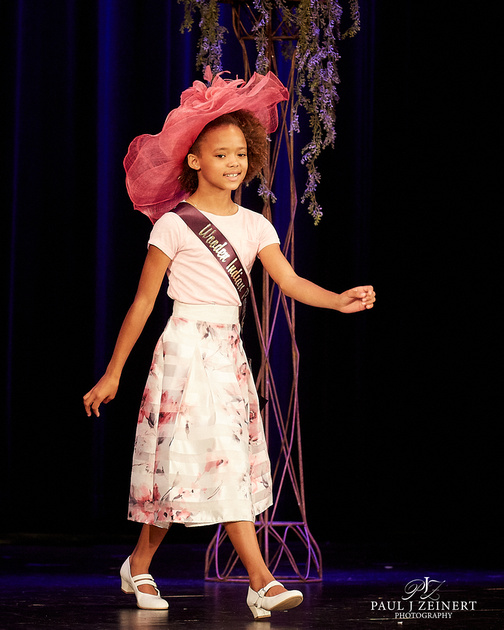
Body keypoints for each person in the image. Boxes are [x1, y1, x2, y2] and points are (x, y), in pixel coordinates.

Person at [83, 69, 376, 620]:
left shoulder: (253, 226)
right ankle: (254, 579)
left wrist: (338, 299)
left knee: (220, 462)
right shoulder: (173, 225)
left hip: (228, 355)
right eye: (221, 155)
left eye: (241, 153)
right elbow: (143, 303)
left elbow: (289, 283)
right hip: (183, 351)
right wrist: (114, 371)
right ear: (194, 160)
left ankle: (146, 565)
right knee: (193, 462)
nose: (234, 164)